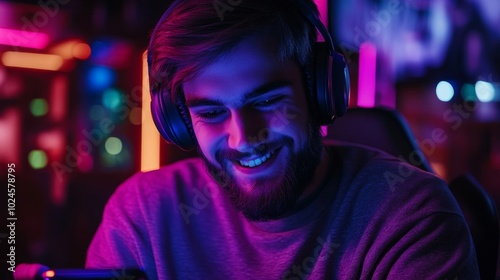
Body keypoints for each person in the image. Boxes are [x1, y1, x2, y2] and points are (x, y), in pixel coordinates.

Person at [86, 0, 479, 279]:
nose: (244, 138)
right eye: (211, 112)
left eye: (268, 100)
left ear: (319, 93)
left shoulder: (410, 216)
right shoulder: (142, 215)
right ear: (179, 121)